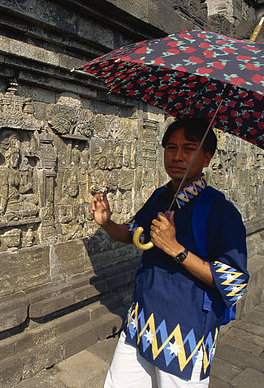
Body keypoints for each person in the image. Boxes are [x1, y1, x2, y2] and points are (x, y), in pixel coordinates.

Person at [91, 117, 249, 387]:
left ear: (206, 158)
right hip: (141, 321)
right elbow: (132, 234)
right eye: (171, 148)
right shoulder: (160, 198)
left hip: (183, 335)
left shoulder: (220, 211)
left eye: (189, 149)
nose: (177, 156)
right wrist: (106, 223)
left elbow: (234, 283)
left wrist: (176, 249)